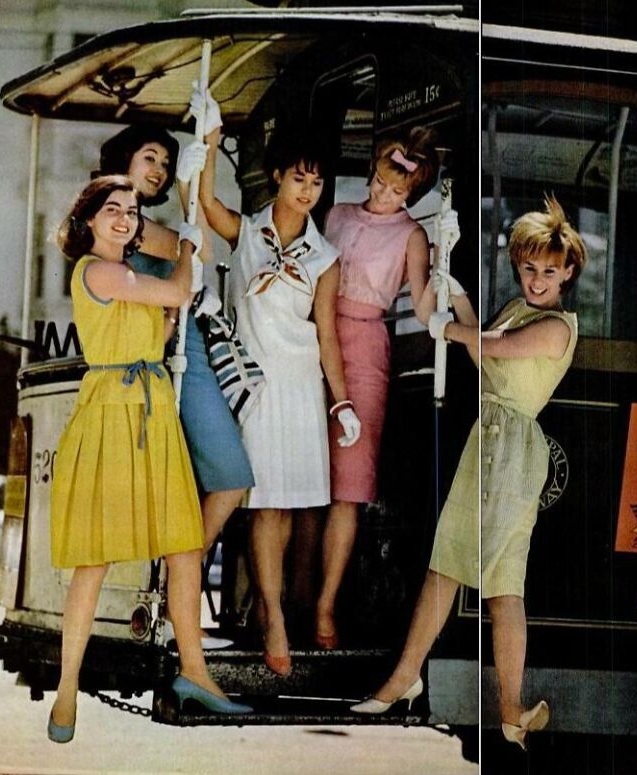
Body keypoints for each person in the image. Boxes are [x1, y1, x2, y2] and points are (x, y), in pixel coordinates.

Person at [352, 196, 587, 752]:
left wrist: (451, 331)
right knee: (495, 582)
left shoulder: (557, 326)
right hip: (491, 442)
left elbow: (498, 348)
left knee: (462, 568)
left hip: (510, 450)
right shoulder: (518, 305)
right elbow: (487, 350)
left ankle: (404, 678)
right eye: (529, 268)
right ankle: (509, 709)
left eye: (548, 271)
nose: (536, 279)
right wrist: (451, 284)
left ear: (568, 273)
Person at [47, 176, 251, 744]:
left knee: (185, 544)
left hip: (150, 408)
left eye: (132, 211)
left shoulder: (126, 274)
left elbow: (159, 323)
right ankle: (66, 691)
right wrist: (187, 245)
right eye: (112, 209)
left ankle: (196, 672)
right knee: (96, 559)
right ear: (88, 219)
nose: (124, 219)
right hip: (115, 413)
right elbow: (179, 291)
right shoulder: (98, 270)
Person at [187, 87, 361, 676]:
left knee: (290, 506)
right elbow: (204, 200)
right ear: (278, 177)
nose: (308, 191)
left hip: (301, 387)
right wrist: (208, 141)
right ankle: (273, 615)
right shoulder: (246, 233)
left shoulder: (325, 257)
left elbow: (329, 335)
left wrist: (341, 404)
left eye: (316, 183)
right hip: (254, 385)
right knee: (263, 507)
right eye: (299, 179)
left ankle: (278, 607)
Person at [94, 126, 255, 559]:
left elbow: (196, 251)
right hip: (156, 359)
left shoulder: (142, 225)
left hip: (184, 353)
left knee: (227, 476)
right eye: (151, 158)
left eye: (166, 165)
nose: (160, 170)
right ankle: (177, 576)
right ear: (123, 159)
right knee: (215, 477)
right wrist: (190, 186)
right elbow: (194, 250)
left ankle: (180, 572)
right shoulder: (131, 226)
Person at [311, 128, 437, 649]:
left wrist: (442, 272)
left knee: (348, 485)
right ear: (371, 175)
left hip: (365, 347)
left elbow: (425, 310)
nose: (385, 197)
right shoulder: (337, 214)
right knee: (300, 471)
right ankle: (291, 599)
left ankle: (325, 608)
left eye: (398, 193)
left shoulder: (413, 237)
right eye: (382, 185)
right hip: (310, 336)